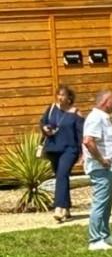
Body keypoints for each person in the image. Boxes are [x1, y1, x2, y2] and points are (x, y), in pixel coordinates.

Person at [81, 89, 112, 251]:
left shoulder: (103, 118)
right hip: (100, 167)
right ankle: (95, 238)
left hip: (107, 166)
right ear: (105, 102)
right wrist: (102, 159)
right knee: (100, 202)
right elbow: (88, 141)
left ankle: (105, 234)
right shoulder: (95, 118)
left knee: (106, 202)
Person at [40, 84, 82, 222]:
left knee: (62, 175)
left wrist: (83, 154)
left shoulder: (75, 113)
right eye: (58, 94)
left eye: (63, 95)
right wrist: (45, 129)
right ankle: (67, 207)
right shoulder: (52, 109)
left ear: (69, 97)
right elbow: (43, 123)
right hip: (53, 148)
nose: (60, 97)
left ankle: (59, 207)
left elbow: (81, 134)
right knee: (61, 177)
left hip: (70, 149)